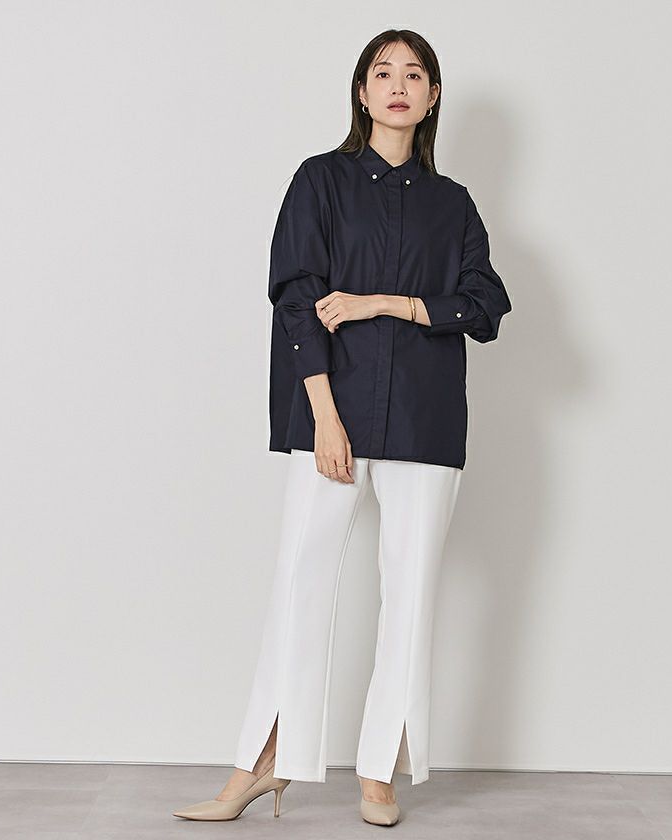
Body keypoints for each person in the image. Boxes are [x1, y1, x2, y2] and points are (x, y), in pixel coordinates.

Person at [173, 27, 512, 827]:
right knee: (299, 583)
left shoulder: (454, 204)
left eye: (414, 74)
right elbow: (295, 297)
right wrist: (325, 416)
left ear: (432, 96)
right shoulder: (319, 181)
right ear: (362, 92)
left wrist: (389, 302)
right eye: (382, 72)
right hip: (335, 412)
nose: (398, 85)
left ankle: (378, 773)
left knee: (410, 596)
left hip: (426, 421)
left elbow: (486, 306)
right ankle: (261, 764)